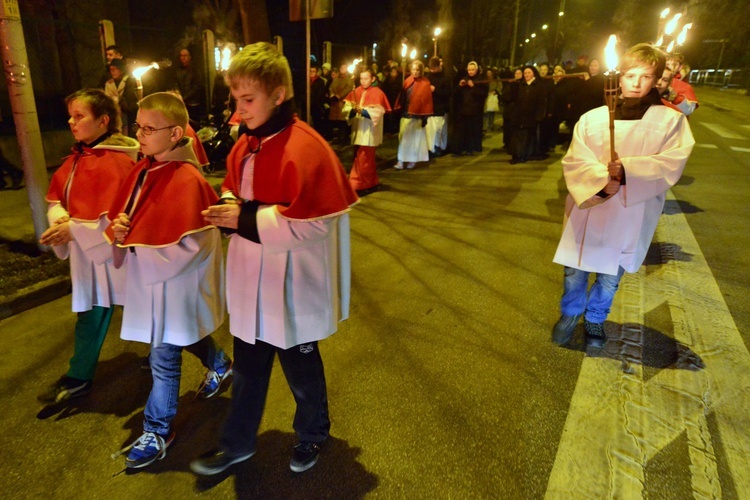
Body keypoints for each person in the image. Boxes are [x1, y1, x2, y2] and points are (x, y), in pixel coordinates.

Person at [189, 42, 358, 476]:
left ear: (278, 94)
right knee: (247, 369)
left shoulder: (308, 148)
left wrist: (243, 217)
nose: (239, 109)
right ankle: (237, 443)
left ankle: (313, 435)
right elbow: (233, 186)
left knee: (302, 371)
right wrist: (229, 207)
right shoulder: (246, 143)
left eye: (249, 99)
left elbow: (314, 224)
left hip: (292, 283)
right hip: (251, 279)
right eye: (236, 99)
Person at [105, 92, 231, 469]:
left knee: (163, 355)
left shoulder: (188, 179)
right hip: (153, 281)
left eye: (148, 128)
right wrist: (119, 229)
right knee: (178, 337)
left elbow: (195, 245)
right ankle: (221, 364)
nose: (139, 134)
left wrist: (139, 239)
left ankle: (157, 429)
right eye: (137, 126)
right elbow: (126, 219)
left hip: (174, 285)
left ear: (176, 133)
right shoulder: (143, 169)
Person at [551, 43, 695, 348]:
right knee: (575, 271)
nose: (636, 83)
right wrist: (603, 182)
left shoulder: (670, 122)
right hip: (590, 206)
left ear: (656, 79)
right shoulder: (593, 118)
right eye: (630, 75)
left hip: (630, 213)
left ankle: (595, 319)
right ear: (620, 76)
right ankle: (570, 313)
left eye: (645, 76)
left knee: (609, 276)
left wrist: (628, 171)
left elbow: (672, 162)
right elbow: (575, 160)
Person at [37, 89, 138, 404]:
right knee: (89, 315)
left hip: (119, 257)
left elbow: (121, 215)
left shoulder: (121, 162)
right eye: (71, 115)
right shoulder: (74, 159)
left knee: (156, 314)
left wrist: (73, 229)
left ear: (103, 120)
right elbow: (56, 199)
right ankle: (79, 377)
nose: (71, 121)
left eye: (79, 116)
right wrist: (60, 219)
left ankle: (214, 359)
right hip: (87, 257)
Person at [342, 67, 392, 195]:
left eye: (366, 78)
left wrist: (363, 111)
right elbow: (346, 109)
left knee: (363, 159)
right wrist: (352, 111)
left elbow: (379, 112)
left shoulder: (377, 93)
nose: (363, 81)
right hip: (358, 130)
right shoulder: (356, 91)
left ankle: (357, 184)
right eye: (361, 79)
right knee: (364, 159)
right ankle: (371, 182)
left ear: (373, 79)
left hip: (369, 132)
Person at [394, 60, 433, 169]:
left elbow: (426, 101)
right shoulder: (407, 81)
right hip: (406, 114)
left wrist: (424, 116)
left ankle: (412, 160)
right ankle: (401, 160)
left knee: (415, 140)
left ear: (421, 71)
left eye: (417, 70)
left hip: (417, 116)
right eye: (413, 69)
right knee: (403, 138)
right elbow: (403, 96)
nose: (415, 72)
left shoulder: (425, 83)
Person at [510, 65, 545, 164]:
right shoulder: (521, 85)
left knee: (528, 136)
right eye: (525, 73)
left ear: (533, 73)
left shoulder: (539, 85)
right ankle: (517, 154)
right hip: (520, 115)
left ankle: (525, 154)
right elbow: (514, 99)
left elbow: (541, 102)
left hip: (531, 115)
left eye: (529, 73)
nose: (526, 75)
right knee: (518, 136)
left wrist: (539, 115)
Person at [453, 61, 487, 156]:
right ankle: (458, 149)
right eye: (469, 70)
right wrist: (459, 86)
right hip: (463, 110)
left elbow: (483, 94)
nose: (471, 72)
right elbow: (456, 94)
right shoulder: (464, 79)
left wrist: (473, 87)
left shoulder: (481, 80)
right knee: (461, 131)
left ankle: (470, 148)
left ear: (476, 70)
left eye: (473, 70)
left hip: (474, 111)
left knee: (471, 131)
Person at [103, 58, 138, 136]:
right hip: (115, 112)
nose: (112, 72)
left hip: (127, 112)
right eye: (111, 70)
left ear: (121, 70)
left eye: (115, 69)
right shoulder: (109, 83)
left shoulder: (129, 81)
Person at [425, 56, 451, 157]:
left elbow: (448, 93)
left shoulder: (445, 78)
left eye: (434, 68)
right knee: (430, 129)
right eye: (431, 68)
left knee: (438, 128)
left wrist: (436, 90)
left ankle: (439, 146)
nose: (432, 70)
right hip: (430, 107)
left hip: (441, 107)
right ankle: (431, 147)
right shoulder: (428, 77)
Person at [174, 48, 206, 124]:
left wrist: (184, 97)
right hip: (182, 102)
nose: (183, 58)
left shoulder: (195, 69)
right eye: (181, 55)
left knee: (194, 123)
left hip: (193, 103)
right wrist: (178, 94)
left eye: (185, 55)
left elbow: (196, 87)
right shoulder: (178, 69)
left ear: (190, 56)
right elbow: (176, 82)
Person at [328, 63, 355, 144]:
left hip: (343, 103)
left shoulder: (349, 79)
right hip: (335, 103)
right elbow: (331, 87)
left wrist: (339, 95)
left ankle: (344, 138)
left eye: (343, 67)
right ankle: (339, 138)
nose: (341, 69)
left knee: (343, 122)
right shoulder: (336, 79)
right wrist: (332, 94)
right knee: (338, 122)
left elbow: (348, 88)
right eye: (341, 67)